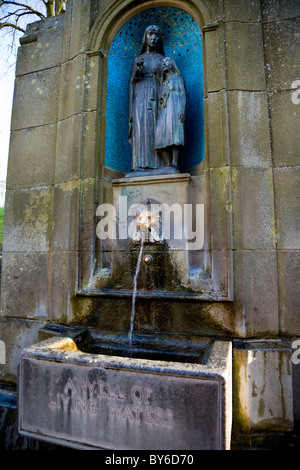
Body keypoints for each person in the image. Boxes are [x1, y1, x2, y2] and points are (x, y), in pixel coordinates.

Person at [129, 25, 165, 172]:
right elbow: (132, 82)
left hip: (158, 94)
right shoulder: (138, 59)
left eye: (156, 35)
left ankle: (161, 164)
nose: (153, 38)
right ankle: (140, 164)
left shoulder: (163, 59)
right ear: (145, 38)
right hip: (141, 95)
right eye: (150, 35)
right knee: (141, 127)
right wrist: (137, 72)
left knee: (159, 127)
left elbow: (169, 78)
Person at [155, 56, 187, 169]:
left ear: (172, 63)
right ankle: (167, 163)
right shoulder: (163, 82)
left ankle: (175, 162)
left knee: (175, 133)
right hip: (164, 109)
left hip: (175, 106)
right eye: (162, 62)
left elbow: (183, 94)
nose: (164, 63)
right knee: (159, 134)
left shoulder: (178, 77)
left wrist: (182, 110)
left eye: (167, 61)